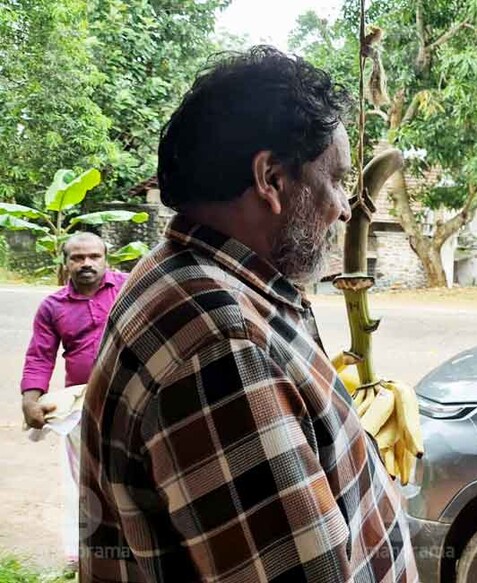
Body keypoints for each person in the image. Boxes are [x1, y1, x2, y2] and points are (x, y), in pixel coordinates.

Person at [78, 46, 417, 581]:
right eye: (335, 180)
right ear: (271, 180)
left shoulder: (198, 279)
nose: (344, 207)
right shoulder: (218, 345)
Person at [20, 232, 125, 566]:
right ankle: (86, 552)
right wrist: (30, 400)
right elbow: (40, 355)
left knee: (131, 472)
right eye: (77, 258)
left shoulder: (128, 288)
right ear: (65, 263)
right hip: (80, 404)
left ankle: (137, 546)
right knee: (84, 478)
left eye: (94, 257)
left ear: (106, 258)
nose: (86, 264)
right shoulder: (53, 306)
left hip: (129, 397)